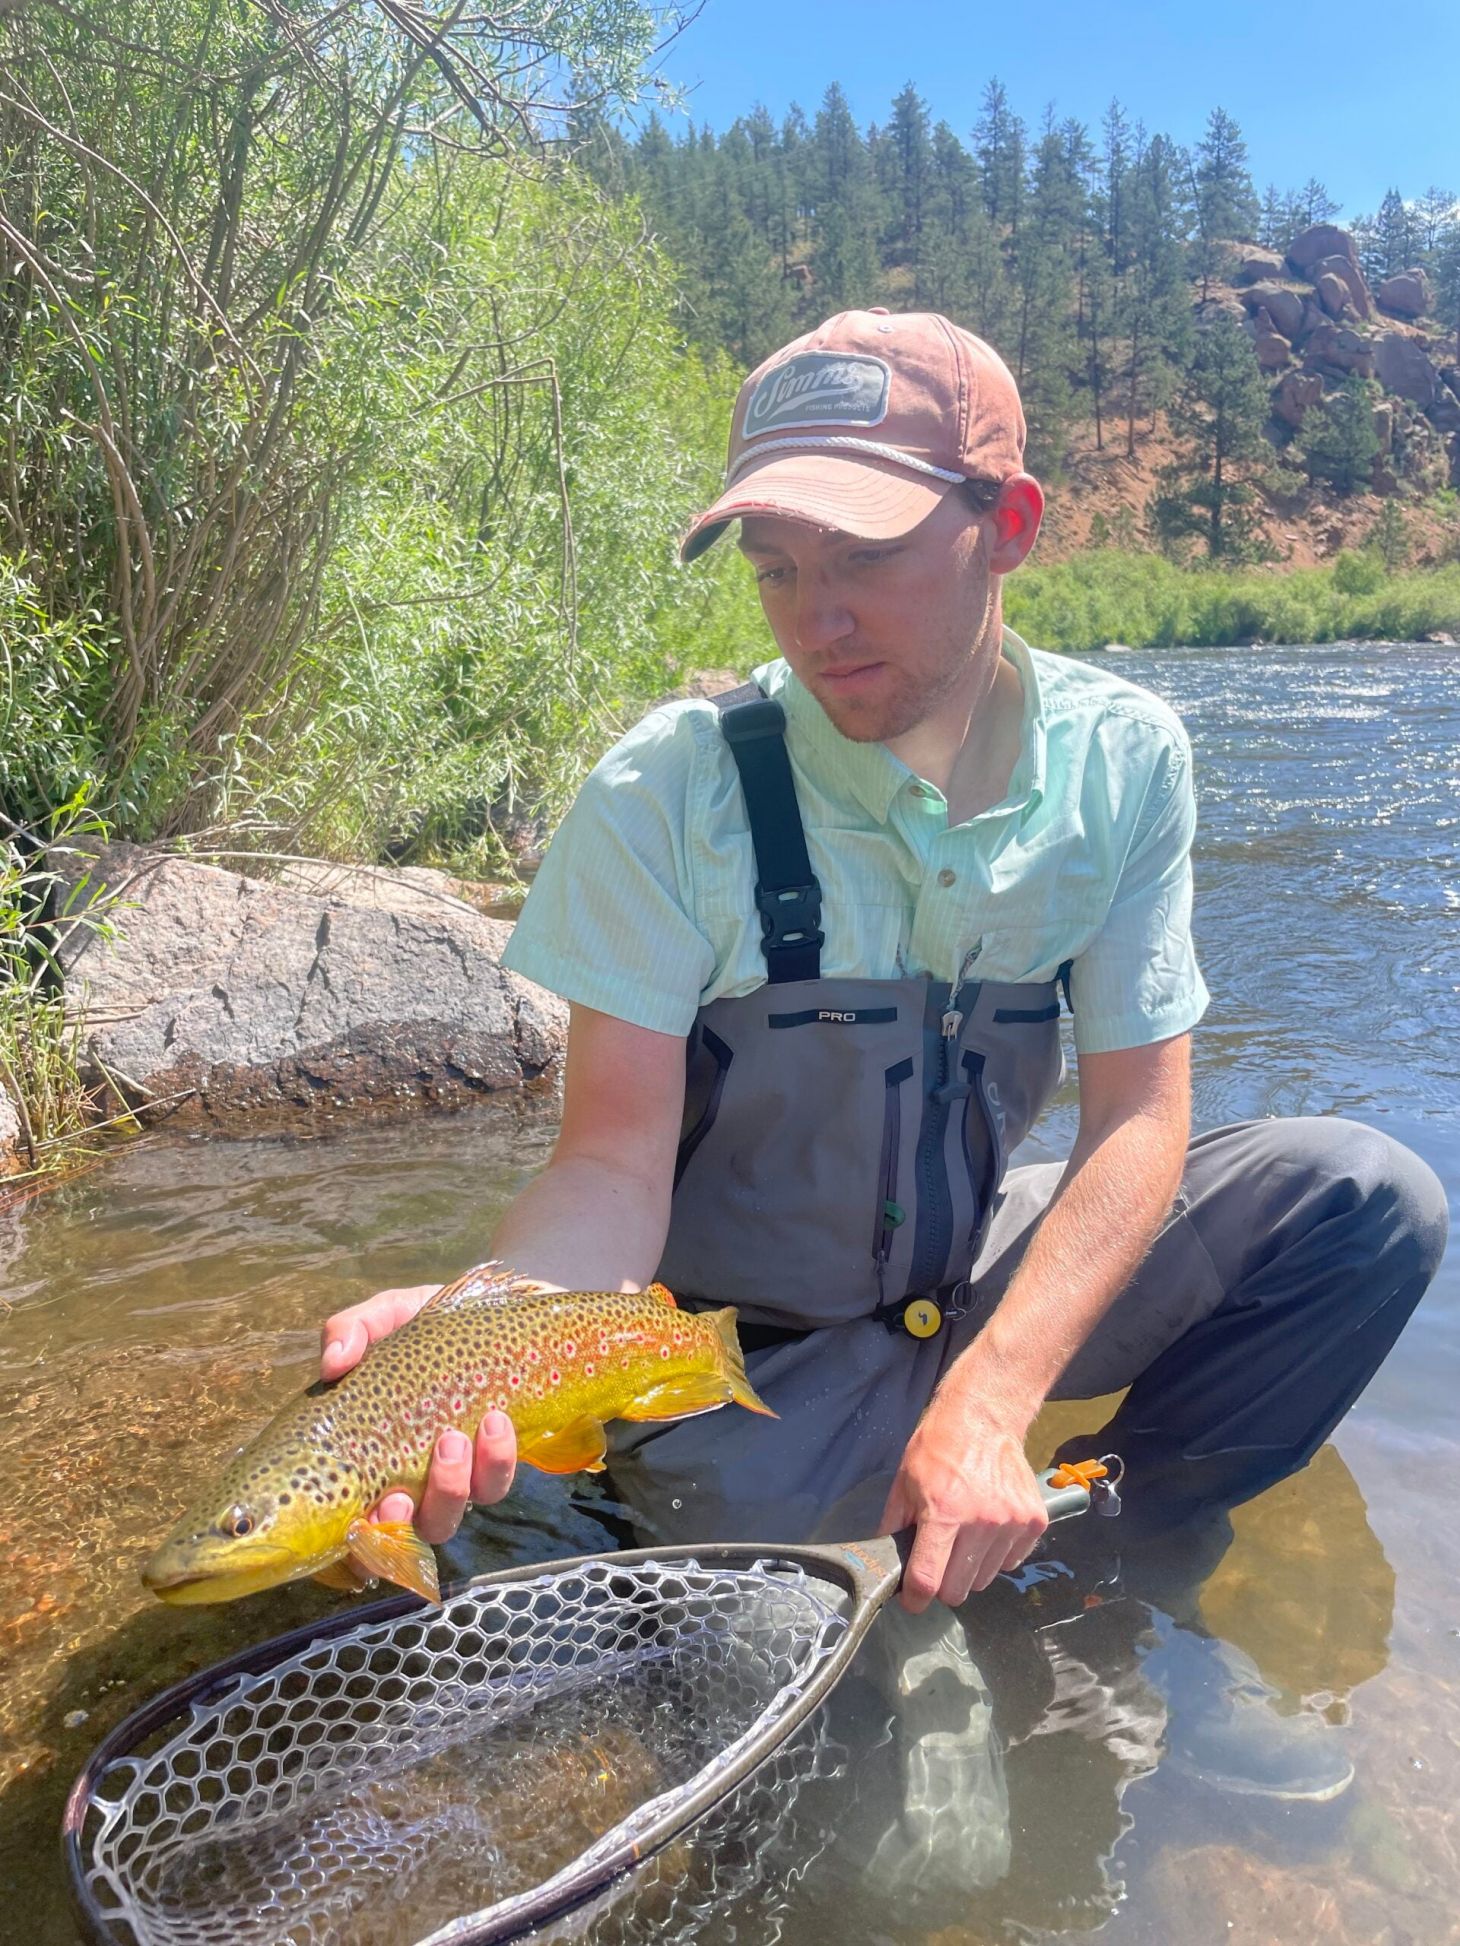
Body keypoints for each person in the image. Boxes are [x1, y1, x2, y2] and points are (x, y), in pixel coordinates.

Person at [319, 312, 1447, 1790]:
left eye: (863, 556)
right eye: (776, 566)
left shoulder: (1125, 763)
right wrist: (498, 1321)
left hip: (973, 1274)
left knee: (1366, 1198)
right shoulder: (667, 796)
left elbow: (1139, 1122)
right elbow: (604, 1159)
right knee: (916, 1847)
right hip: (744, 1355)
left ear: (1010, 529)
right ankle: (693, 1524)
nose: (812, 617)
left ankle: (1127, 1572)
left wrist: (992, 1399)